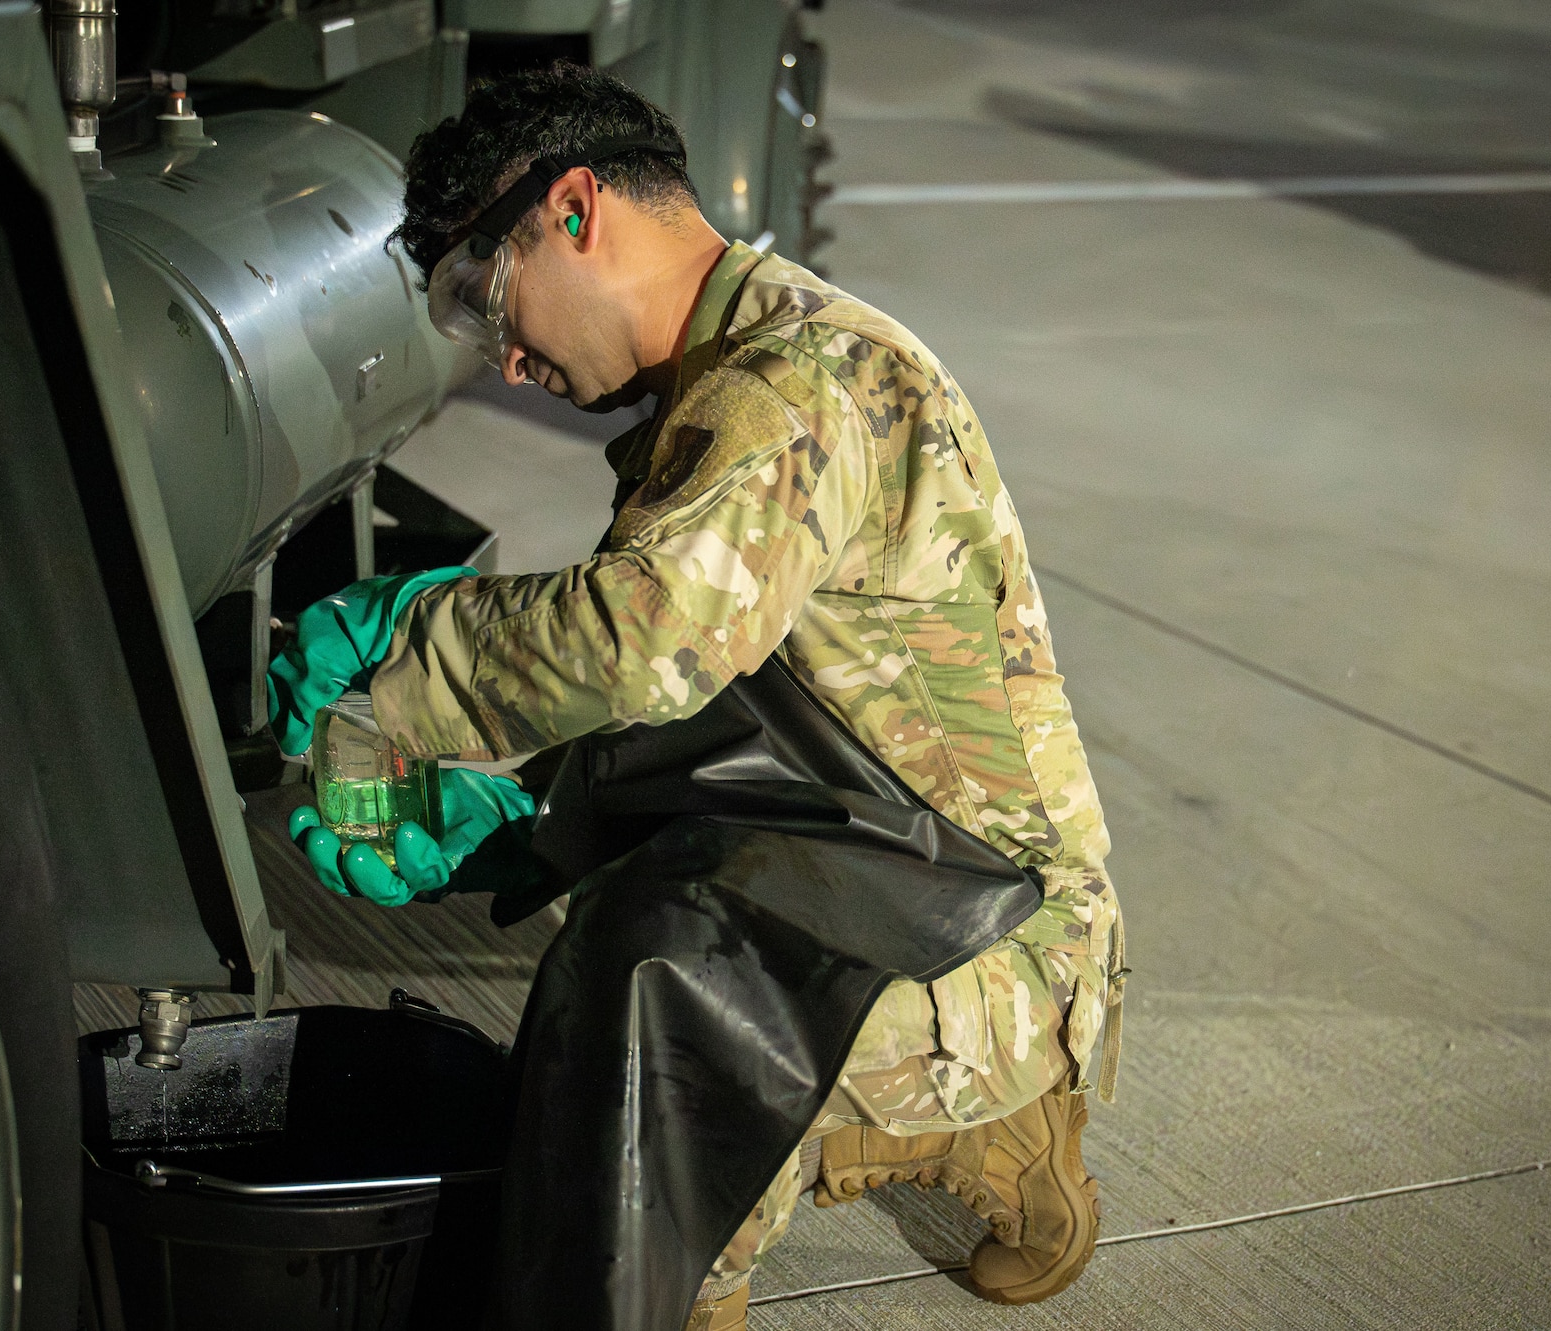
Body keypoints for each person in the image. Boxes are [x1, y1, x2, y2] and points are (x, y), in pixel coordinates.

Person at [268, 63, 1126, 1331]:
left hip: (991, 925)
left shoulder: (792, 384)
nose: (502, 356)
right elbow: (714, 706)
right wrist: (519, 809)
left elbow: (644, 645)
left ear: (572, 211)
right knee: (646, 947)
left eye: (484, 294)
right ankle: (960, 1125)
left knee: (650, 1044)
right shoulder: (726, 371)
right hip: (884, 860)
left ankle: (970, 1112)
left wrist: (409, 657)